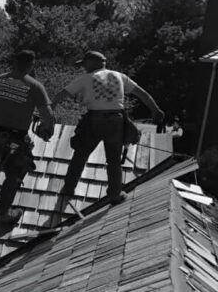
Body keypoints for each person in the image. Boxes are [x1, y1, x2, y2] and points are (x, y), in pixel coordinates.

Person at [53, 51, 164, 205]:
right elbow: (142, 94)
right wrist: (155, 110)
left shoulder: (86, 78)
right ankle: (115, 194)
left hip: (94, 120)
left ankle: (69, 188)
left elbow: (61, 95)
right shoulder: (120, 76)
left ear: (92, 63)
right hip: (116, 121)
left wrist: (47, 111)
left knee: (81, 154)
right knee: (113, 160)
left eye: (85, 63)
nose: (84, 67)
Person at [0, 49, 56, 227]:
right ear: (32, 65)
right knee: (14, 175)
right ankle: (1, 214)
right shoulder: (34, 86)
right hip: (16, 139)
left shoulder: (0, 80)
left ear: (14, 62)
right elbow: (47, 115)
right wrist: (47, 129)